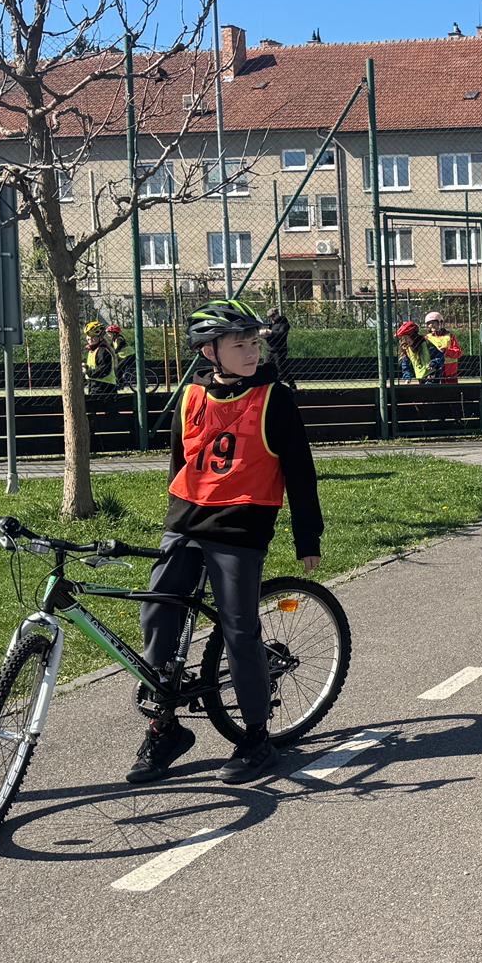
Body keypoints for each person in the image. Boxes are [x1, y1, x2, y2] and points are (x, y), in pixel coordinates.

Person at [127, 298, 323, 786]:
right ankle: (165, 726)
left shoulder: (275, 399)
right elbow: (180, 462)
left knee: (239, 629)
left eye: (254, 342)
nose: (252, 351)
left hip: (241, 528)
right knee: (157, 611)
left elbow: (300, 472)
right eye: (240, 345)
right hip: (187, 523)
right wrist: (176, 518)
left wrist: (307, 536)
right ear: (209, 351)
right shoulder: (192, 396)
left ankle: (256, 738)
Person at [396, 320, 444, 384]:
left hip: (432, 375)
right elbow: (405, 365)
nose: (405, 341)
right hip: (421, 377)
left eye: (406, 338)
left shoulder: (426, 343)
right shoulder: (407, 349)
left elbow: (440, 356)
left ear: (413, 335)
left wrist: (433, 363)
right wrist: (407, 377)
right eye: (403, 338)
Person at [422, 312, 462, 384]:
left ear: (440, 323)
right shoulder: (427, 338)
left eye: (433, 323)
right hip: (434, 371)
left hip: (449, 371)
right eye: (428, 323)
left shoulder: (450, 336)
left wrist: (446, 351)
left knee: (451, 390)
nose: (431, 325)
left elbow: (458, 353)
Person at [262, 307, 295, 389]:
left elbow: (282, 334)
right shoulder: (271, 324)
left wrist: (270, 332)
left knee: (281, 368)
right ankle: (269, 386)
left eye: (273, 316)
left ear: (277, 314)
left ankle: (292, 385)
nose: (272, 318)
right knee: (266, 368)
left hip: (279, 350)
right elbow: (267, 336)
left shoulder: (283, 322)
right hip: (270, 350)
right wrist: (264, 335)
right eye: (270, 317)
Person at [83, 321, 118, 396]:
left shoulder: (102, 351)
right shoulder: (92, 350)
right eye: (88, 335)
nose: (90, 338)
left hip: (104, 387)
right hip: (95, 385)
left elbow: (103, 370)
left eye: (94, 336)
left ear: (101, 337)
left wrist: (88, 372)